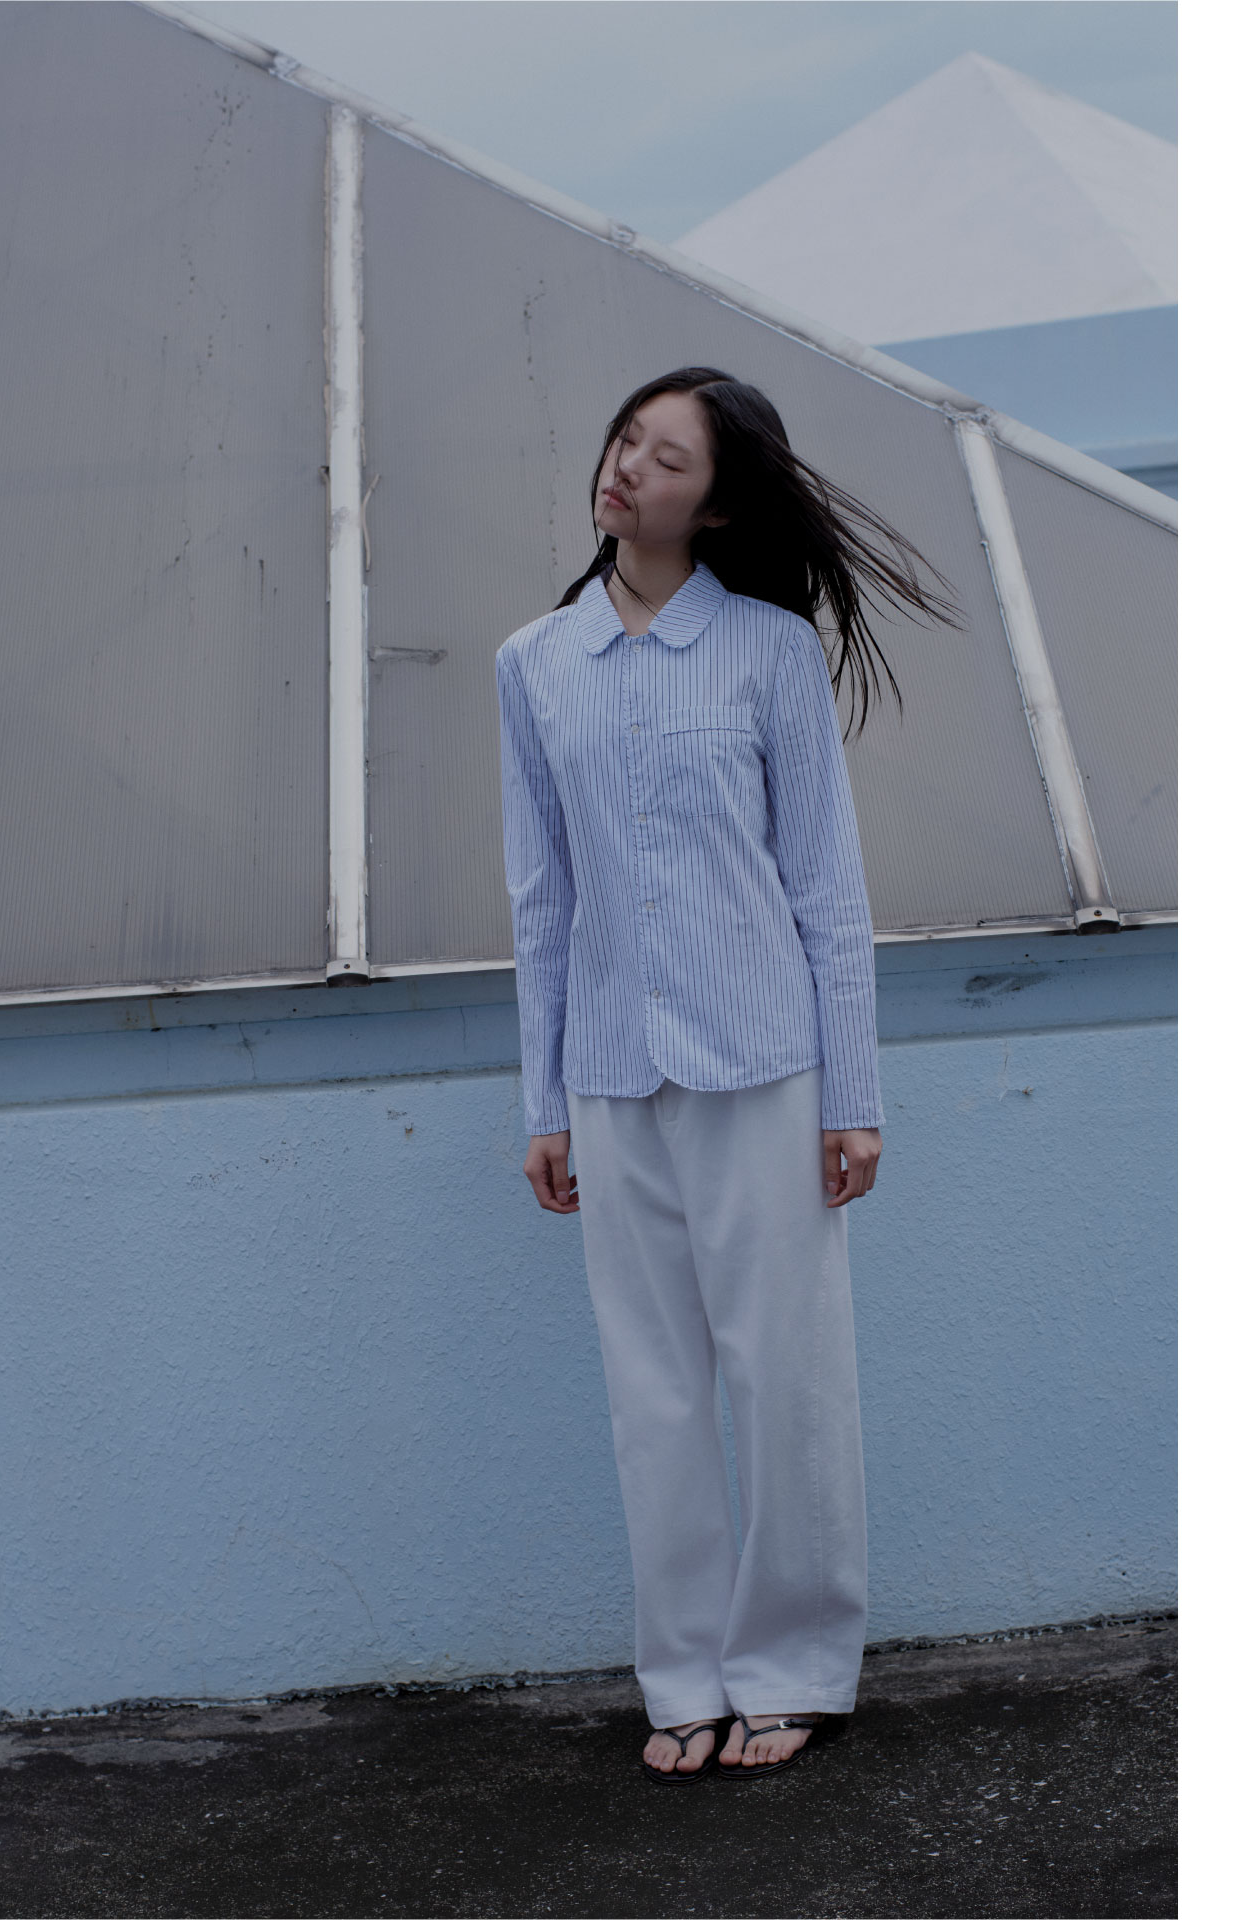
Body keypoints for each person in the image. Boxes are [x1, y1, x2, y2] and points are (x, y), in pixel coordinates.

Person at [493, 366, 959, 1783]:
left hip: (763, 1064)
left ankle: (797, 1666)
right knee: (653, 1390)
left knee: (785, 1376)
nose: (627, 466)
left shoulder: (768, 653)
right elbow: (542, 900)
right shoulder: (535, 666)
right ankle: (684, 1673)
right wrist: (544, 1103)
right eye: (625, 438)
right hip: (611, 1075)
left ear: (717, 503)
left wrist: (853, 1095)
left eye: (667, 456)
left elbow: (825, 886)